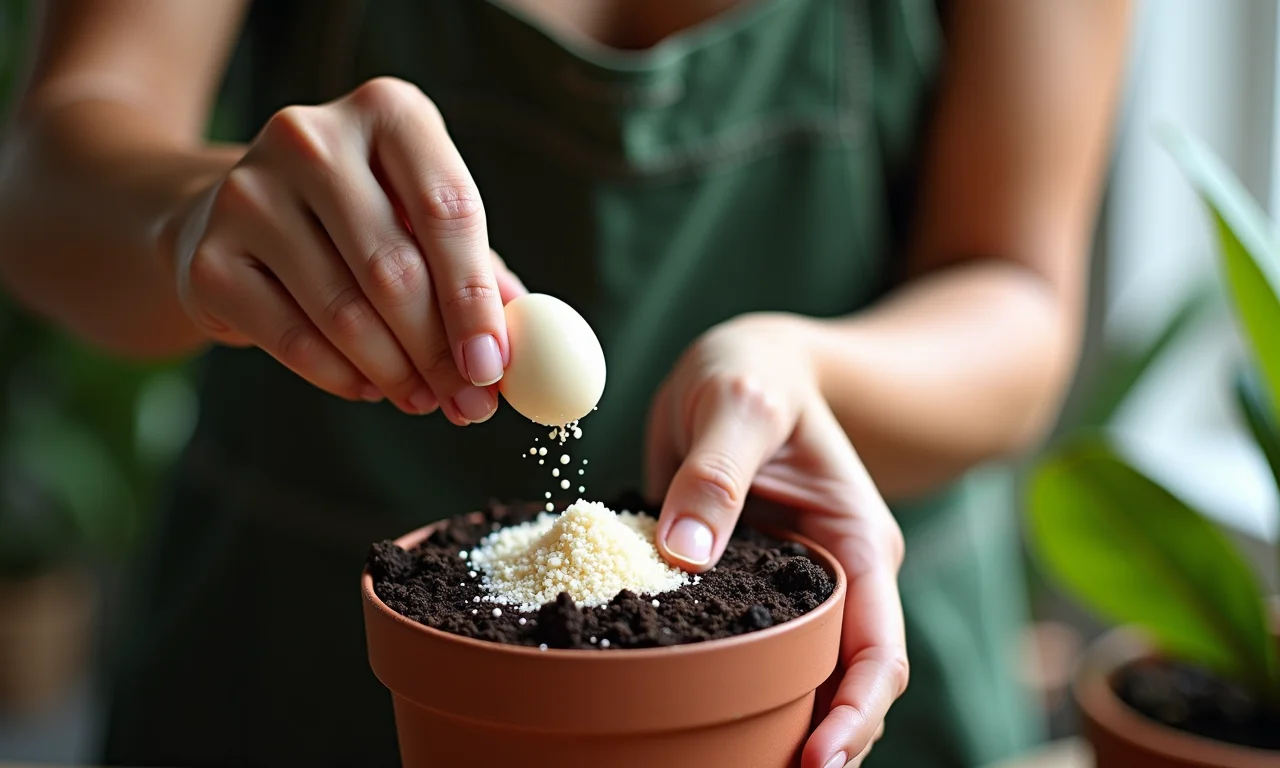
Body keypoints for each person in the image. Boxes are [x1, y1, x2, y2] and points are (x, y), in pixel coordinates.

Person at [0, 1, 1130, 765]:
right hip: (299, 665)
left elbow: (1018, 289)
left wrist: (802, 367)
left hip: (821, 660)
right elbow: (46, 176)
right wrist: (191, 214)